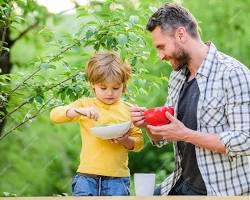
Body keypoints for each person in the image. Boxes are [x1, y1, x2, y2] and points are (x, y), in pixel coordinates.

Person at [130, 2, 250, 196]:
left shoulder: (232, 74)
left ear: (181, 34)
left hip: (219, 191)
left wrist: (186, 134)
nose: (160, 56)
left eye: (162, 47)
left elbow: (246, 140)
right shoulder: (178, 76)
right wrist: (149, 124)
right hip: (181, 182)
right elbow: (167, 136)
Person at [50, 52, 144, 196]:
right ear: (93, 84)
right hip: (86, 177)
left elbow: (139, 143)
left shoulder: (130, 109)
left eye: (116, 88)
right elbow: (55, 115)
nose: (109, 93)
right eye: (103, 88)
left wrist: (125, 140)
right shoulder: (85, 105)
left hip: (118, 180)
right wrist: (79, 111)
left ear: (124, 85)